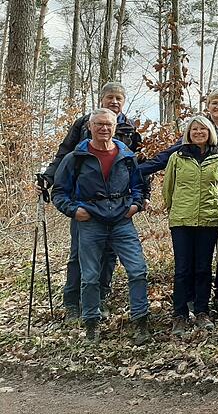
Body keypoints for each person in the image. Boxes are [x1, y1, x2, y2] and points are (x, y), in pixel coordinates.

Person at [41, 82, 141, 322]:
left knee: (109, 255)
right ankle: (73, 302)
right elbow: (64, 153)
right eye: (110, 97)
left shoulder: (129, 129)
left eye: (118, 98)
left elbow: (136, 164)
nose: (114, 102)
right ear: (101, 99)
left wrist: (138, 199)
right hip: (84, 204)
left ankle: (101, 298)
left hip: (116, 208)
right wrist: (48, 177)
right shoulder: (84, 123)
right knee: (78, 255)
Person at [52, 108, 150, 345]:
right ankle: (91, 326)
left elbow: (139, 186)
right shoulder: (75, 158)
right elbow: (59, 192)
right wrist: (75, 210)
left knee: (137, 270)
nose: (104, 128)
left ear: (115, 127)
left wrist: (135, 205)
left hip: (122, 221)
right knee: (90, 277)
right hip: (90, 222)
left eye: (108, 124)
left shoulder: (126, 156)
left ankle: (141, 324)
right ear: (90, 127)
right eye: (99, 124)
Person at [139, 89, 218, 314]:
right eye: (213, 103)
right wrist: (138, 171)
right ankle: (187, 305)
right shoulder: (190, 140)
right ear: (208, 107)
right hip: (186, 214)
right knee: (188, 264)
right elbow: (168, 170)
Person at [162, 115, 218, 335]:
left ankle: (201, 310)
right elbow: (167, 189)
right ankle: (179, 314)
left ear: (209, 133)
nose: (198, 132)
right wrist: (174, 210)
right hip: (182, 220)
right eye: (194, 129)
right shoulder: (177, 157)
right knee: (183, 268)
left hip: (209, 219)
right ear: (188, 133)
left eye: (202, 129)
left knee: (204, 268)